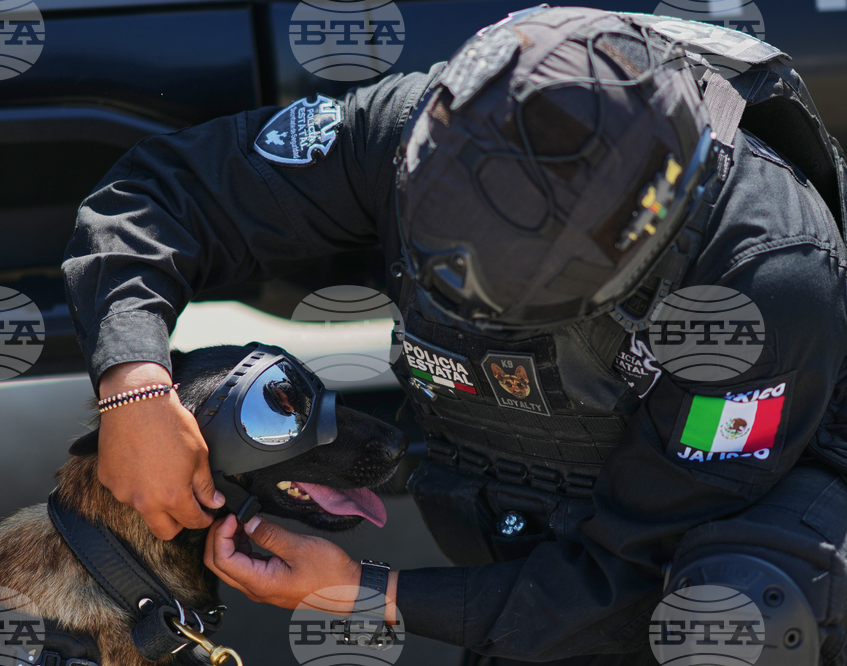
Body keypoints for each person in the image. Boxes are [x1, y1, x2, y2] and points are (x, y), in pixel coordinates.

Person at [61, 7, 847, 664]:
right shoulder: (421, 128)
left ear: (637, 241)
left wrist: (367, 594)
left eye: (505, 295)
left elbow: (625, 577)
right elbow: (161, 192)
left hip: (688, 541)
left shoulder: (757, 282)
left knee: (734, 609)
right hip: (515, 511)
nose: (462, 311)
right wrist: (134, 382)